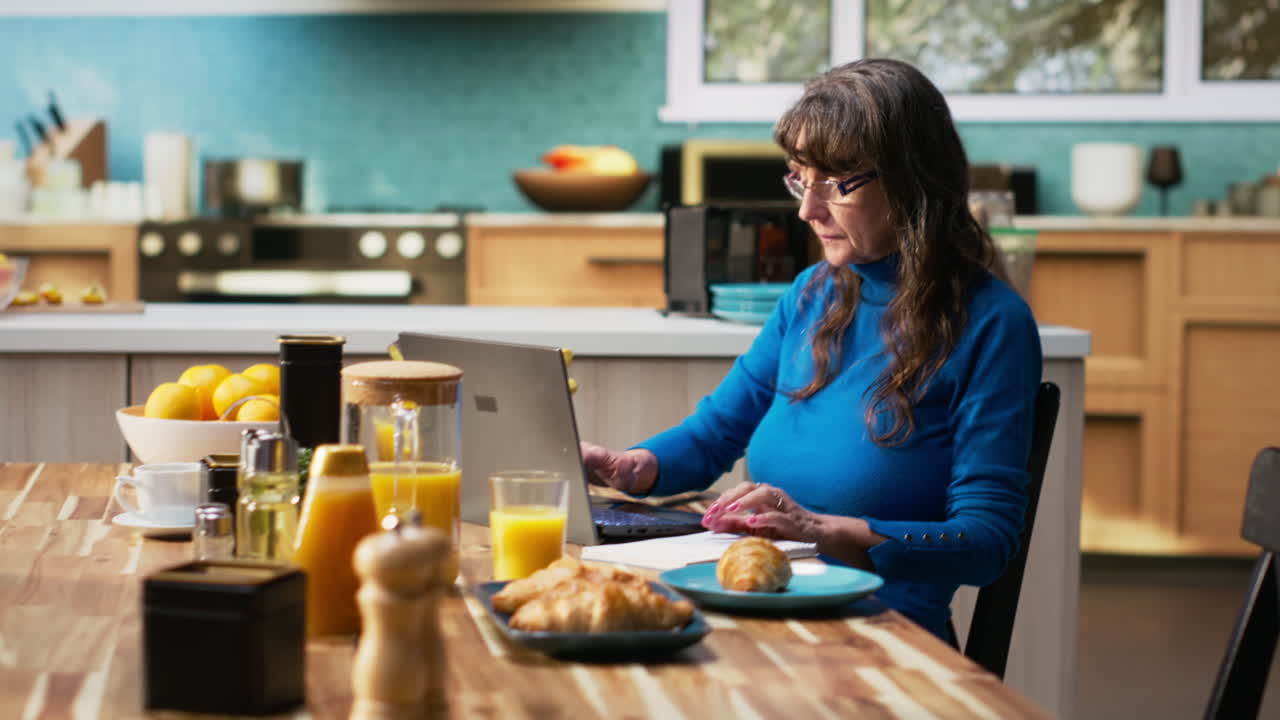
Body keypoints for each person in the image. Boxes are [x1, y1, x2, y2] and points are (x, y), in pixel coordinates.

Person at [580, 58, 1042, 643]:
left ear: (912, 181)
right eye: (801, 177)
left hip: (884, 645)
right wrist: (634, 466)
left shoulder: (992, 325)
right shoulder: (811, 296)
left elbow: (985, 543)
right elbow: (714, 434)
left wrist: (823, 531)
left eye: (836, 183)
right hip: (764, 624)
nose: (808, 209)